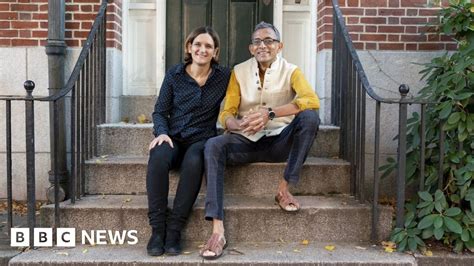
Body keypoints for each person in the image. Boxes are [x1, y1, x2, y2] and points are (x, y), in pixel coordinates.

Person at [199, 21, 320, 260]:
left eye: (269, 41)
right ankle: (217, 229)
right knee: (212, 145)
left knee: (310, 117)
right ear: (250, 48)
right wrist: (237, 124)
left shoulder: (292, 70)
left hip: (279, 141)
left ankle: (284, 189)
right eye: (257, 41)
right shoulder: (239, 71)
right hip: (246, 141)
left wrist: (270, 113)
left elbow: (310, 100)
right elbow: (227, 113)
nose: (263, 45)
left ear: (279, 46)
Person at [146, 26, 230, 256]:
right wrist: (161, 132)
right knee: (158, 154)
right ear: (189, 48)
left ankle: (174, 229)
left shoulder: (224, 77)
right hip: (173, 137)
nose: (202, 50)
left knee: (195, 161)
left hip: (201, 139)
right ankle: (157, 229)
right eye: (198, 45)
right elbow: (160, 111)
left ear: (215, 52)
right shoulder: (175, 74)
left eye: (208, 46)